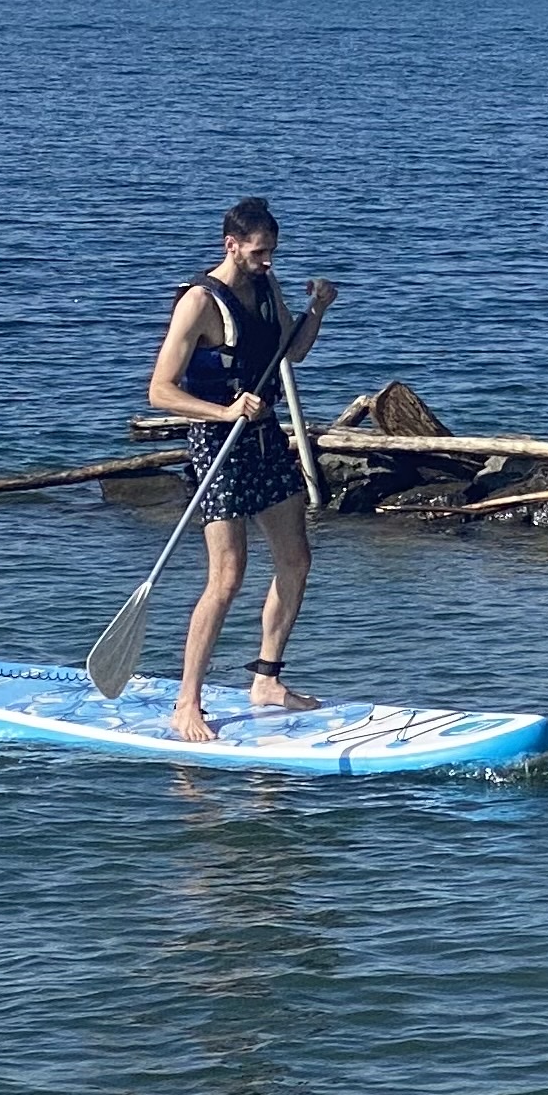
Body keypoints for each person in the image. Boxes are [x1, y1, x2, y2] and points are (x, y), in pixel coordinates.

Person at [145, 196, 338, 741]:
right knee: (227, 577)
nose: (267, 261)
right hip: (218, 442)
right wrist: (224, 412)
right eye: (258, 253)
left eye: (272, 252)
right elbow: (160, 391)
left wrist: (318, 309)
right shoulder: (199, 302)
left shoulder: (266, 285)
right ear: (231, 245)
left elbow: (292, 352)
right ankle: (187, 702)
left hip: (264, 437)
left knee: (296, 559)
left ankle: (266, 680)